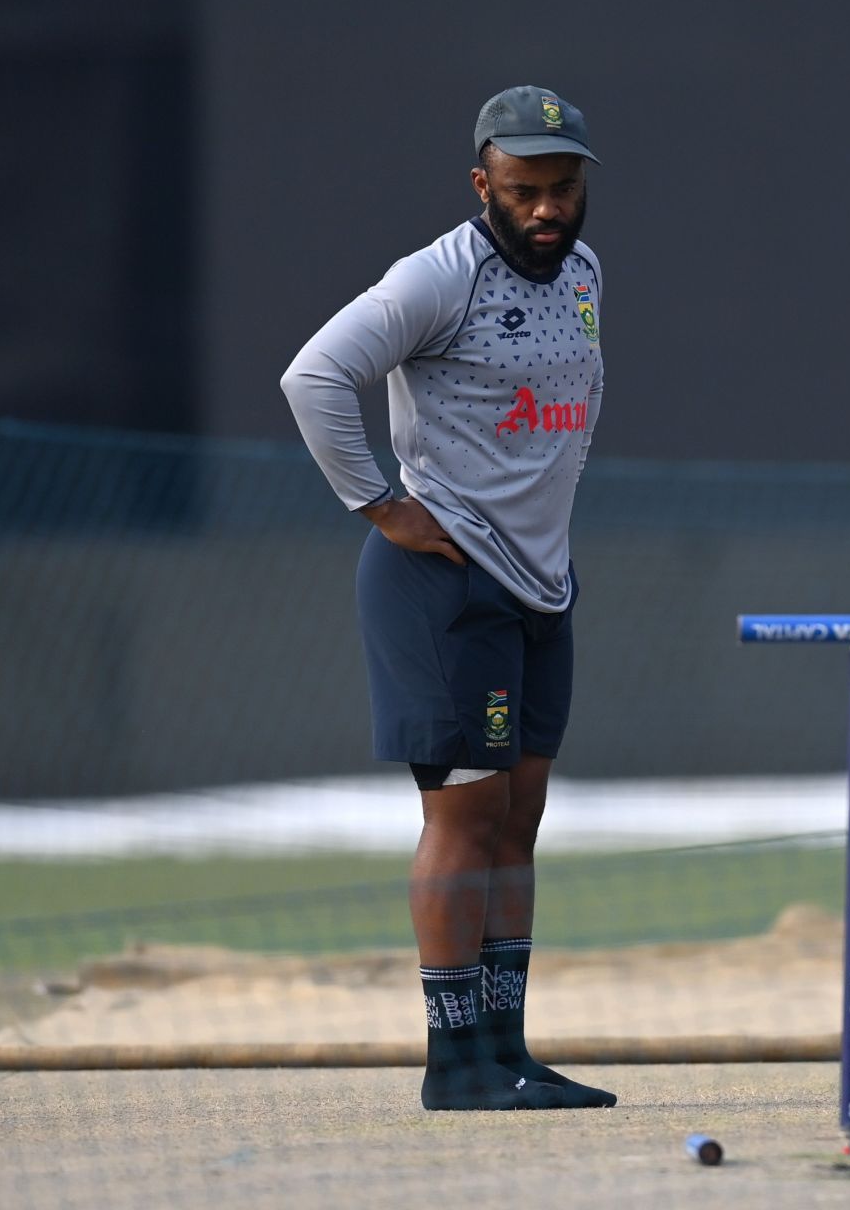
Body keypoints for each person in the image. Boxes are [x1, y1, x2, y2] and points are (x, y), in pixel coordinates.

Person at [281, 86, 615, 1111]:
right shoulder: (438, 278)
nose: (548, 209)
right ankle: (453, 1059)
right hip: (446, 585)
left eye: (563, 188)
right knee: (464, 820)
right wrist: (381, 505)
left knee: (519, 816)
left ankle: (507, 1048)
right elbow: (315, 375)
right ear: (484, 185)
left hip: (537, 586)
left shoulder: (586, 271)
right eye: (525, 191)